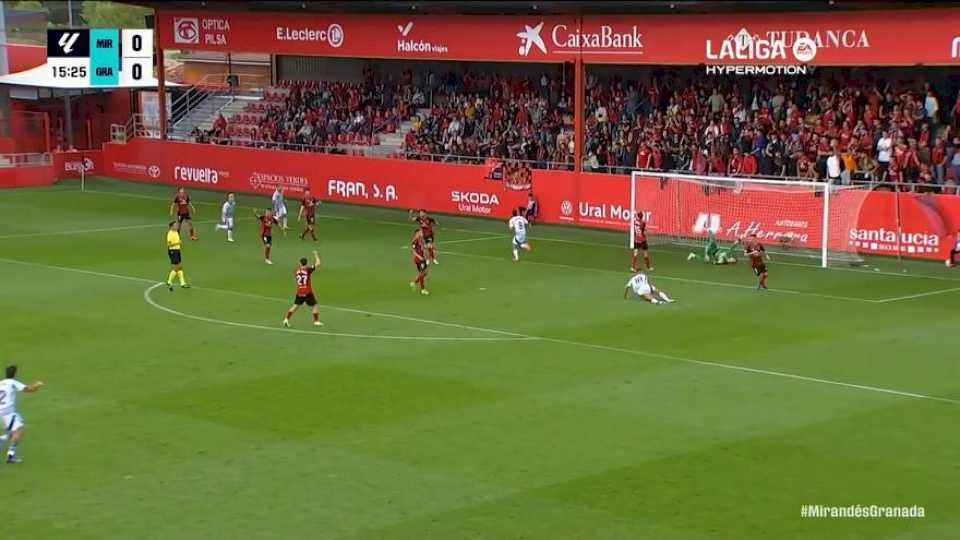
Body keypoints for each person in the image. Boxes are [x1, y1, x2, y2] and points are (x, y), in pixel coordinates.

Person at [0, 365, 44, 464]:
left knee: (16, 427)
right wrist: (38, 384)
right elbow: (29, 389)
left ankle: (4, 439)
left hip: (3, 412)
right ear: (15, 374)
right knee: (18, 430)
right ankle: (11, 455)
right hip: (8, 412)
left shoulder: (1, 383)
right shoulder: (12, 382)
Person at [282, 250, 324, 328]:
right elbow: (318, 263)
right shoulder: (308, 270)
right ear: (306, 263)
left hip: (299, 291)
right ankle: (316, 321)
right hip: (308, 291)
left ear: (300, 263)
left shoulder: (296, 271)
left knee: (295, 306)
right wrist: (316, 255)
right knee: (314, 305)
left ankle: (286, 319)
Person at [165, 221, 189, 290]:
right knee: (176, 268)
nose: (177, 226)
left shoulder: (176, 232)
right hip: (173, 251)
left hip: (177, 250)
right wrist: (178, 243)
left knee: (180, 267)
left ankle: (182, 283)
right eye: (175, 225)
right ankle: (169, 281)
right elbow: (169, 245)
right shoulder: (170, 234)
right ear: (171, 227)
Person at [410, 228, 430, 295]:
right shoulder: (414, 241)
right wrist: (419, 257)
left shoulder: (421, 239)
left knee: (425, 273)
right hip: (418, 260)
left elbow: (423, 248)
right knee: (422, 273)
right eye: (420, 233)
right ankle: (423, 289)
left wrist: (426, 247)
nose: (421, 233)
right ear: (416, 233)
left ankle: (414, 282)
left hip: (422, 258)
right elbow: (413, 251)